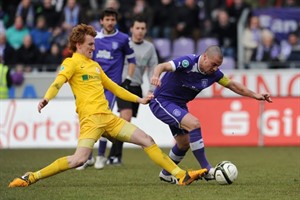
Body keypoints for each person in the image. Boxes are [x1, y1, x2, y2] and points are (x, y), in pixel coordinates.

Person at [8, 23, 207, 188]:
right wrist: (47, 98)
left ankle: (181, 176)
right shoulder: (71, 63)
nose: (93, 48)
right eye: (90, 44)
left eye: (94, 44)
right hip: (91, 121)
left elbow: (115, 88)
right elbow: (58, 82)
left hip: (109, 118)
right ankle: (31, 177)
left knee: (147, 139)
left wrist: (139, 100)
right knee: (79, 159)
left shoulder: (95, 66)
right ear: (78, 44)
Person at [149, 45, 272, 184]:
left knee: (184, 143)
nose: (215, 68)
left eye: (218, 66)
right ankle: (207, 169)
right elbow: (162, 66)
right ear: (205, 56)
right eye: (213, 64)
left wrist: (255, 95)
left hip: (179, 105)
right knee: (194, 124)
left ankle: (166, 173)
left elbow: (232, 85)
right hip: (161, 101)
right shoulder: (188, 62)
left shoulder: (214, 74)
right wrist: (155, 76)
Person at [76, 7, 136, 170]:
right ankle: (86, 157)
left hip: (110, 86)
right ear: (101, 21)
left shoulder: (123, 38)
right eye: (107, 19)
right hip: (92, 86)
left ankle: (101, 156)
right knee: (87, 119)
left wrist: (128, 79)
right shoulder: (95, 39)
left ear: (115, 21)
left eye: (112, 19)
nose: (110, 22)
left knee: (102, 117)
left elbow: (132, 60)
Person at [107, 15, 158, 165]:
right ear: (131, 29)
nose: (140, 31)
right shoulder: (124, 43)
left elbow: (152, 69)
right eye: (137, 28)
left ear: (146, 30)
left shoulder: (149, 48)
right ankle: (115, 156)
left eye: (143, 28)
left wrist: (151, 89)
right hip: (122, 85)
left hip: (136, 87)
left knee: (125, 122)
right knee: (126, 118)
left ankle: (112, 156)